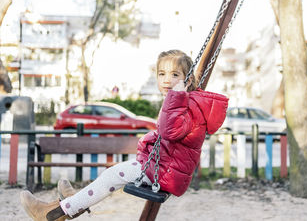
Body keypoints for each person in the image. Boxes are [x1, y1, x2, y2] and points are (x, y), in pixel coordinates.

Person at [20, 49, 229, 221]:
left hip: (166, 174)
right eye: (162, 74)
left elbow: (169, 131)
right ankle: (75, 202)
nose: (167, 80)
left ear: (187, 79)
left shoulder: (186, 104)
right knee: (112, 174)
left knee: (114, 174)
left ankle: (52, 213)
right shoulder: (184, 101)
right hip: (164, 167)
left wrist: (176, 97)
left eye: (175, 75)